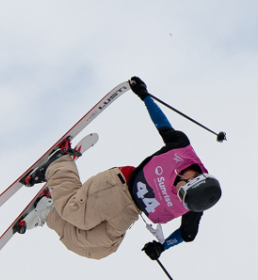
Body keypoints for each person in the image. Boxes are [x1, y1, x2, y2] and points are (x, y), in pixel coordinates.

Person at [23, 76, 221, 261]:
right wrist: (145, 96)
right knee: (76, 214)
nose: (177, 192)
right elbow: (163, 124)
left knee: (98, 249)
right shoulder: (180, 151)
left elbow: (188, 234)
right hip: (120, 186)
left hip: (130, 212)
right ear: (195, 178)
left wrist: (162, 247)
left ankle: (48, 211)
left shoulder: (192, 204)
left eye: (181, 195)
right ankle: (59, 162)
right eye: (181, 189)